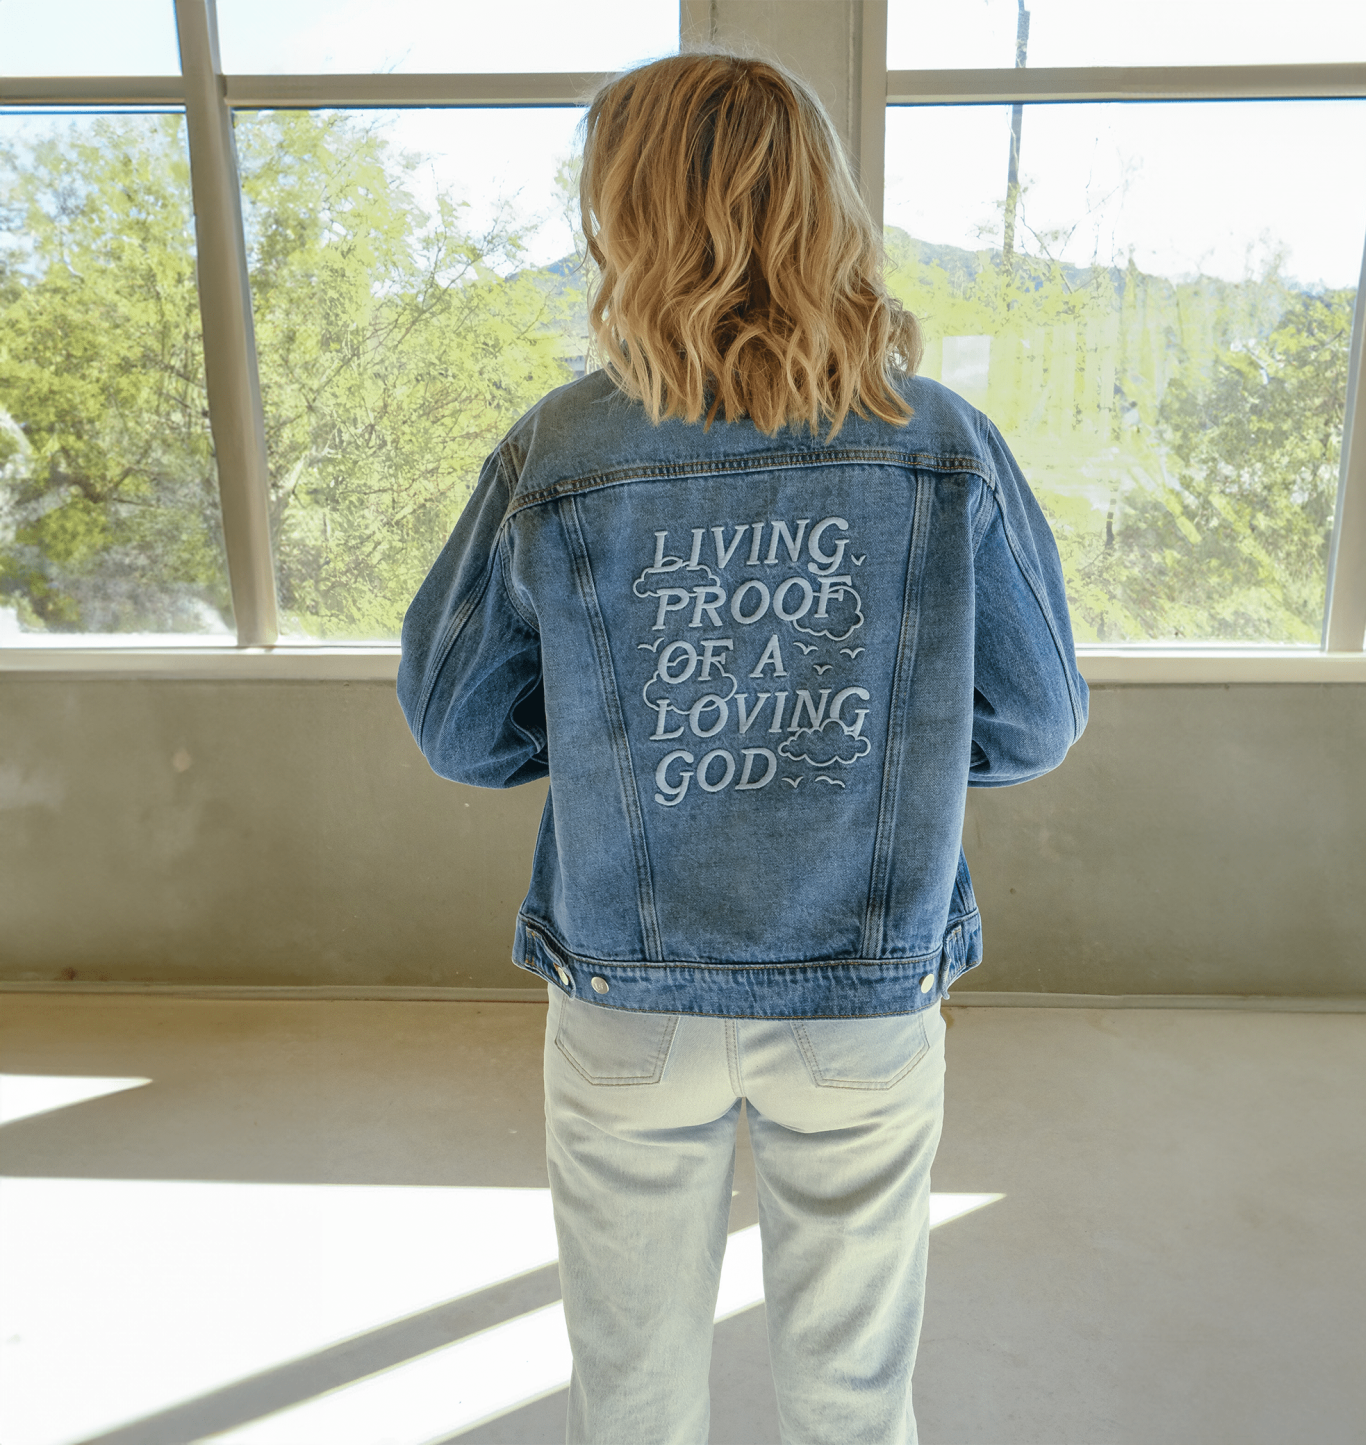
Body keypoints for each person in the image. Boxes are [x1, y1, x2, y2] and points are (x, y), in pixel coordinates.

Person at [397, 51, 1087, 1445]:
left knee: (630, 1396)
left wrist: (619, 737)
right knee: (853, 1400)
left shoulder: (557, 453)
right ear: (823, 207)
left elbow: (461, 730)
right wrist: (881, 751)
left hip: (629, 998)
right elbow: (1034, 720)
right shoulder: (945, 446)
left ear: (624, 215)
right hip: (864, 991)